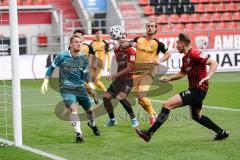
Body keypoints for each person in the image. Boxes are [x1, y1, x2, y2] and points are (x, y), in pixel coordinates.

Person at [135, 33, 229, 142]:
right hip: (195, 91)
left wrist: (208, 76)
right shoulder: (186, 58)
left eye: (177, 43)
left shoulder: (195, 53)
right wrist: (169, 79)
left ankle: (148, 134)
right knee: (197, 117)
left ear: (182, 44)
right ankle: (221, 133)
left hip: (197, 90)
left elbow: (213, 63)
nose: (175, 46)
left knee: (167, 104)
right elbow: (182, 73)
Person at [41, 35, 100, 143]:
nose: (79, 44)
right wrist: (45, 80)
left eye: (80, 42)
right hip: (66, 88)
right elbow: (51, 68)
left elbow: (86, 74)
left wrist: (90, 84)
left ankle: (93, 125)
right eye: (76, 42)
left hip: (80, 87)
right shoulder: (62, 56)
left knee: (90, 111)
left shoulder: (83, 58)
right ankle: (79, 134)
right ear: (70, 44)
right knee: (73, 109)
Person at [131, 21, 171, 126]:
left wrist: (160, 61)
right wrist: (130, 43)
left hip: (148, 73)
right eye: (148, 26)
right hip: (136, 72)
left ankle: (152, 117)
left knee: (141, 95)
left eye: (152, 26)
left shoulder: (158, 43)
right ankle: (153, 114)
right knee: (140, 100)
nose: (149, 28)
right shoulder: (138, 39)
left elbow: (168, 54)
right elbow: (126, 44)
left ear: (155, 29)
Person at [103, 28, 139, 128]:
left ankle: (134, 119)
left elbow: (129, 69)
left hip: (128, 79)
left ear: (127, 38)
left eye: (124, 37)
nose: (122, 39)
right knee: (106, 98)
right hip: (118, 80)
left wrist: (114, 75)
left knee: (121, 98)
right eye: (120, 38)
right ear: (116, 38)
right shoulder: (116, 50)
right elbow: (119, 64)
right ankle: (112, 120)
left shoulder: (131, 51)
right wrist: (113, 73)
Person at [72, 29, 99, 104]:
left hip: (86, 69)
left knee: (89, 83)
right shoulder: (71, 47)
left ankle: (94, 95)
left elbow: (93, 55)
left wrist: (93, 65)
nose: (78, 37)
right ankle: (83, 98)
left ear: (82, 37)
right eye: (76, 36)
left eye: (79, 36)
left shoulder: (87, 46)